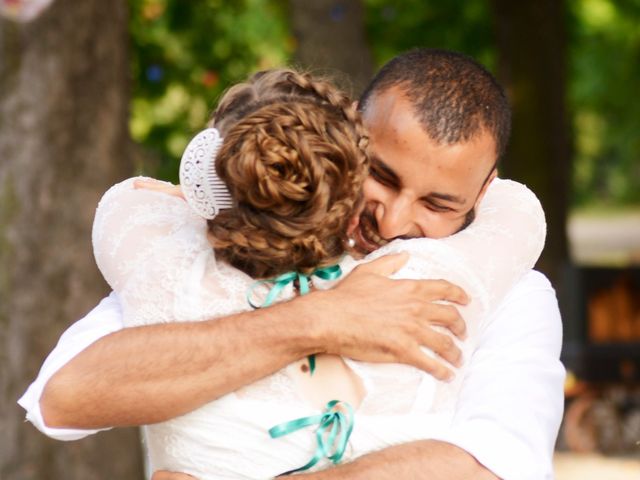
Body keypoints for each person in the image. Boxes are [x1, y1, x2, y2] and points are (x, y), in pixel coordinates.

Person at [19, 49, 565, 480]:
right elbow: (64, 398)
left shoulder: (512, 292)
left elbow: (492, 465)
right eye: (384, 176)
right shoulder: (241, 244)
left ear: (484, 192)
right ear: (352, 134)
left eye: (438, 204)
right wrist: (320, 319)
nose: (396, 220)